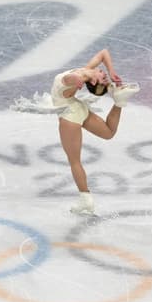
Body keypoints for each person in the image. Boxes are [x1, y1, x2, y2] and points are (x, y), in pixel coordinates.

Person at [51, 49, 140, 215]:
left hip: (70, 116)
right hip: (77, 108)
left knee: (74, 161)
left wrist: (76, 79)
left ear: (93, 82)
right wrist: (111, 72)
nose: (105, 76)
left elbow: (67, 79)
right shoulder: (87, 71)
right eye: (105, 78)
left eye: (104, 79)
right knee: (108, 132)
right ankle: (119, 102)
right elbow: (104, 53)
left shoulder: (83, 75)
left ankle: (86, 199)